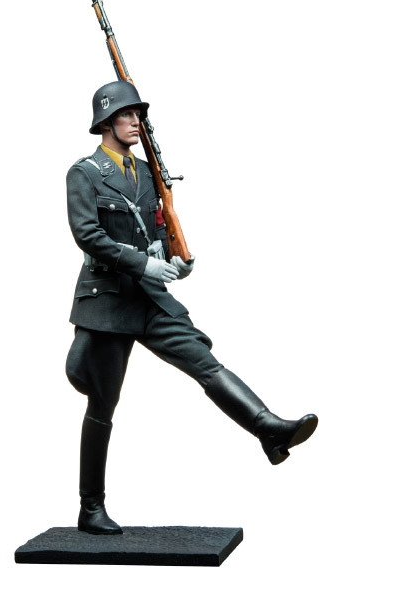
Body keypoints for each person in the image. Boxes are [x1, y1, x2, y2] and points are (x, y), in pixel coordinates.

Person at [66, 80, 318, 535]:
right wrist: (142, 263)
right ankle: (91, 508)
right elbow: (88, 235)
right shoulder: (84, 174)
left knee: (205, 362)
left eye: (138, 115)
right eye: (127, 115)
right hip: (107, 301)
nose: (136, 122)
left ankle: (268, 429)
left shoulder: (147, 173)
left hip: (149, 296)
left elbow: (156, 227)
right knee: (103, 403)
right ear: (105, 122)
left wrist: (173, 259)